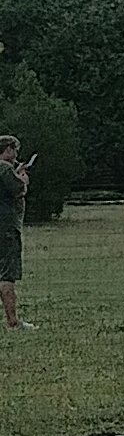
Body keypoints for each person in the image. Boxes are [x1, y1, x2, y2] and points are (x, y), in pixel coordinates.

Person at [0, 134, 31, 335]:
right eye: (15, 150)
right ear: (8, 149)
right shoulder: (4, 167)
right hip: (6, 228)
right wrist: (23, 179)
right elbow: (18, 189)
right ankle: (13, 322)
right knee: (6, 275)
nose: (16, 154)